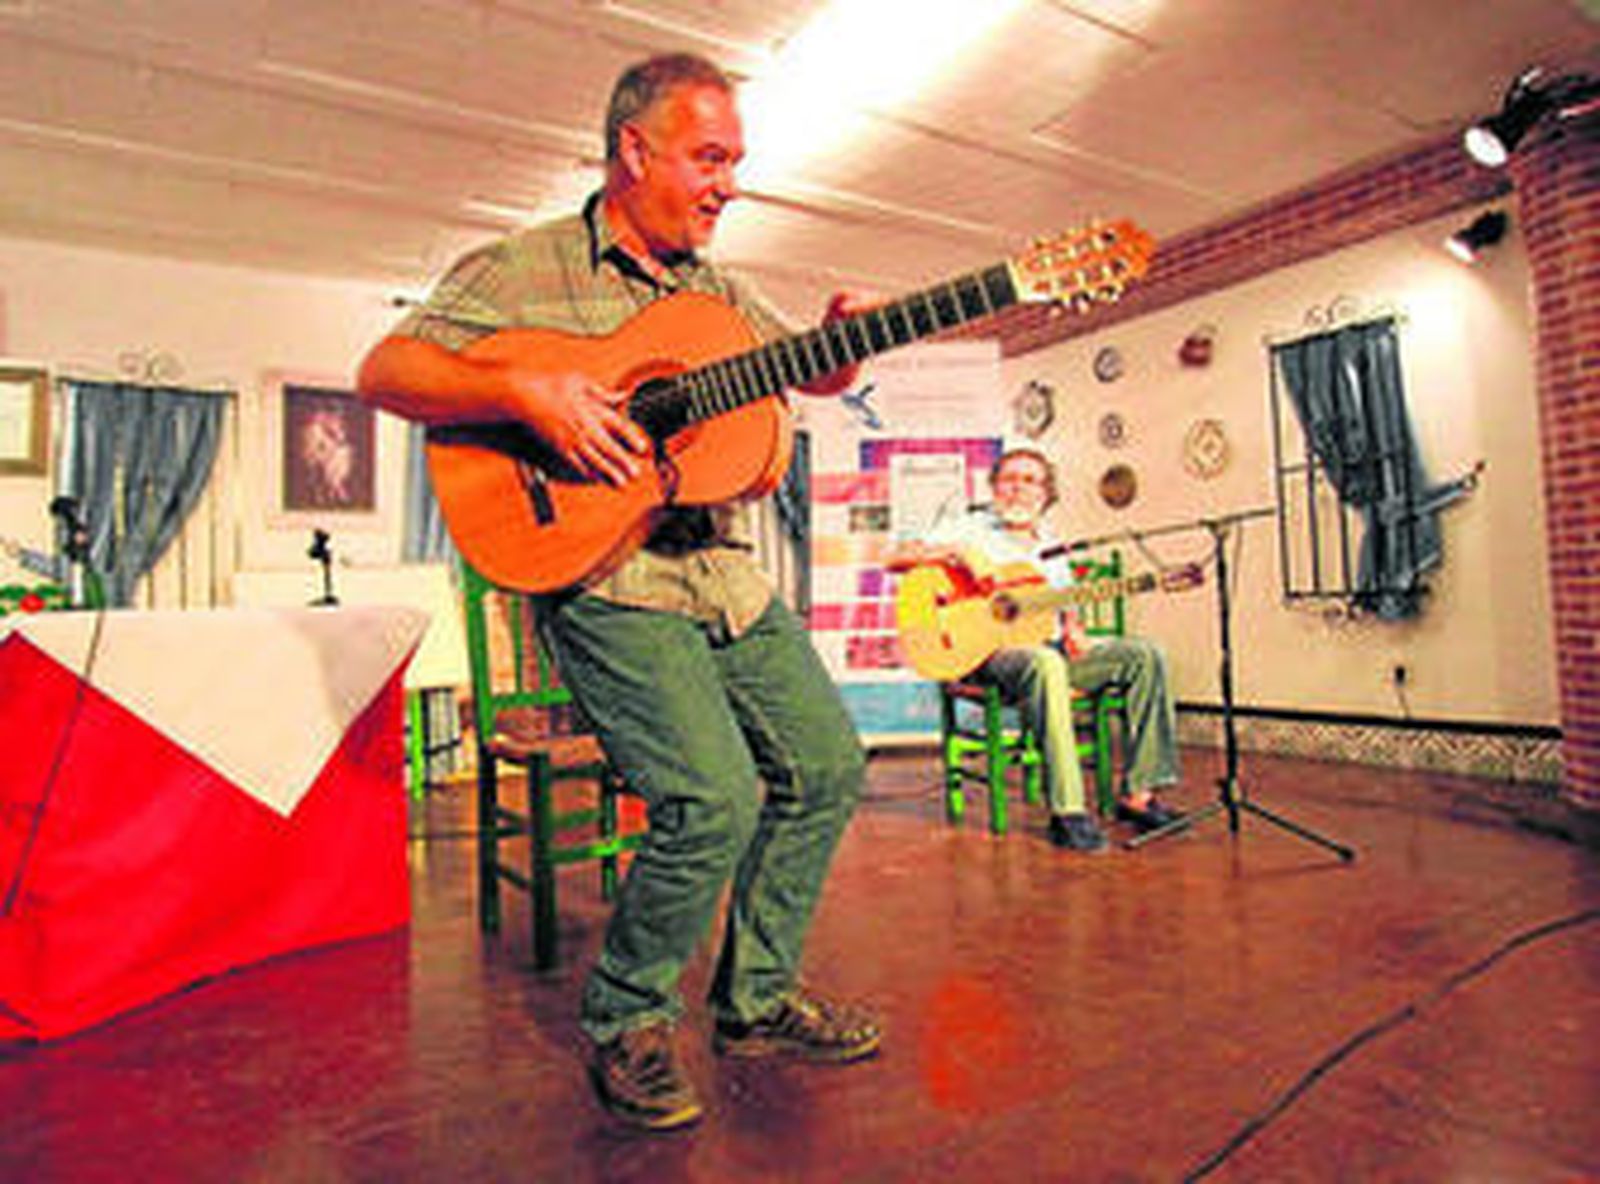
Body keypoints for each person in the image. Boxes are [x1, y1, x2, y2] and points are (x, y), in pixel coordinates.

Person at [356, 53, 880, 1131]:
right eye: (709, 158)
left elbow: (794, 370)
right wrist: (519, 388)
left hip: (719, 569)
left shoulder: (720, 290)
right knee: (712, 799)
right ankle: (627, 1017)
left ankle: (756, 1000)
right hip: (605, 571)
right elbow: (386, 371)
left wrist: (834, 358)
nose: (729, 183)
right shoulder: (524, 266)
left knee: (828, 763)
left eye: (734, 161)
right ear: (634, 150)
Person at [887, 447, 1183, 853]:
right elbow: (895, 558)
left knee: (1145, 655)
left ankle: (1139, 794)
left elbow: (1063, 606)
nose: (1018, 488)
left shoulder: (1052, 547)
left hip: (1047, 650)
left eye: (1030, 480)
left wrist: (1075, 628)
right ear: (994, 486)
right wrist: (957, 553)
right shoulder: (969, 527)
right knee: (1046, 663)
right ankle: (1068, 811)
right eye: (1009, 479)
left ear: (1046, 493)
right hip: (987, 658)